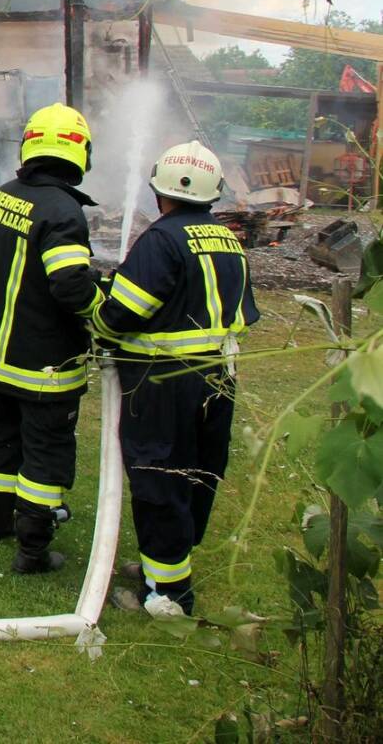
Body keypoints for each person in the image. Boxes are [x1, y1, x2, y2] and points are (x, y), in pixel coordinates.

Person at [95, 140, 258, 617]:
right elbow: (242, 314)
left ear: (159, 190)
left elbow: (123, 312)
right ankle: (166, 564)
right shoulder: (229, 239)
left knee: (158, 475)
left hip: (162, 383)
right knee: (197, 471)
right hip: (218, 380)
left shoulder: (161, 239)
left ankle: (168, 595)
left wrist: (98, 324)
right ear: (213, 193)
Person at [0, 103, 104, 574]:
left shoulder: (3, 196)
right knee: (46, 456)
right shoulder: (63, 212)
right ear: (79, 153)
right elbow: (68, 284)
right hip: (44, 364)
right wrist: (101, 313)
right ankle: (32, 548)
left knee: (3, 442)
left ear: (29, 146)